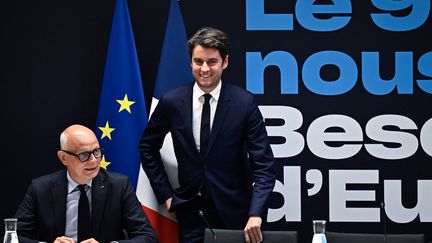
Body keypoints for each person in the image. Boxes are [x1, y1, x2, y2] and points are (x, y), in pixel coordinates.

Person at [139, 27, 276, 243]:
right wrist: (165, 195)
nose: (204, 69)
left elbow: (264, 166)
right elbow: (147, 147)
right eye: (198, 61)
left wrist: (255, 213)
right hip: (190, 213)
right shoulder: (172, 101)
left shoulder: (244, 103)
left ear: (225, 62)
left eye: (212, 62)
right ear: (190, 62)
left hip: (236, 215)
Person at [14, 124, 158, 243]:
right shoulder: (41, 188)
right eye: (83, 155)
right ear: (64, 158)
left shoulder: (119, 186)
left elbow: (148, 238)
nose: (94, 160)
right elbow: (11, 236)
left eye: (96, 151)